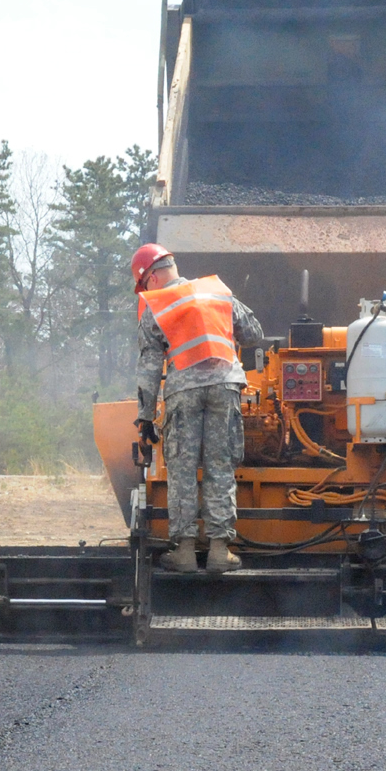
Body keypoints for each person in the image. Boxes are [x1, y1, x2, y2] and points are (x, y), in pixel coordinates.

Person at [131, 243, 265, 573]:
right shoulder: (216, 291)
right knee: (220, 465)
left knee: (182, 468)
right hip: (225, 387)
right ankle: (220, 551)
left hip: (183, 392)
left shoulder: (158, 303)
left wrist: (145, 416)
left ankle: (186, 552)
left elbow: (149, 366)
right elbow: (254, 334)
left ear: (150, 278)